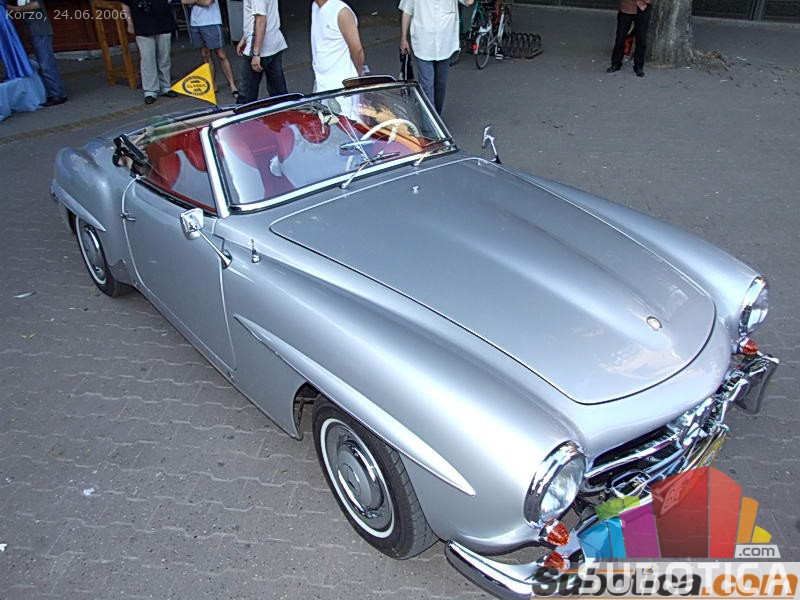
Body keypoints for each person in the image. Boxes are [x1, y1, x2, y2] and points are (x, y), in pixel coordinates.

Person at [399, 0, 473, 115]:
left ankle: (436, 116)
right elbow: (407, 11)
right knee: (427, 85)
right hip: (423, 42)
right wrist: (403, 39)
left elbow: (468, 2)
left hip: (445, 43)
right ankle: (430, 121)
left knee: (440, 84)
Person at [7, 0, 67, 106]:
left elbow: (36, 4)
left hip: (40, 30)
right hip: (34, 30)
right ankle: (53, 91)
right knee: (44, 63)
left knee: (46, 64)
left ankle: (58, 94)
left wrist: (16, 9)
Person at [121, 0, 177, 104]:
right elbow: (125, 4)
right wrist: (129, 23)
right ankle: (150, 91)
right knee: (147, 59)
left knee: (164, 57)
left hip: (164, 21)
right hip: (142, 24)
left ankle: (165, 86)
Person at [181, 0, 238, 99]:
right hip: (196, 23)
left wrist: (192, 1)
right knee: (206, 55)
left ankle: (232, 85)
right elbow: (184, 1)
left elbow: (207, 2)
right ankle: (212, 84)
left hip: (212, 22)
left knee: (221, 54)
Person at [235, 0, 287, 104]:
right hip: (274, 42)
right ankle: (285, 112)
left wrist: (256, 53)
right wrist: (245, 37)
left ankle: (244, 116)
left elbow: (261, 20)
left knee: (246, 97)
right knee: (279, 94)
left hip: (260, 48)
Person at [310, 0, 364, 93]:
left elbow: (357, 51)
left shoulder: (342, 12)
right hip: (321, 83)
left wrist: (356, 76)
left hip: (341, 87)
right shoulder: (315, 6)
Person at [607, 0, 653, 77]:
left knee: (641, 39)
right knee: (620, 38)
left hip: (643, 7)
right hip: (626, 6)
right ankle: (616, 63)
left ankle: (638, 66)